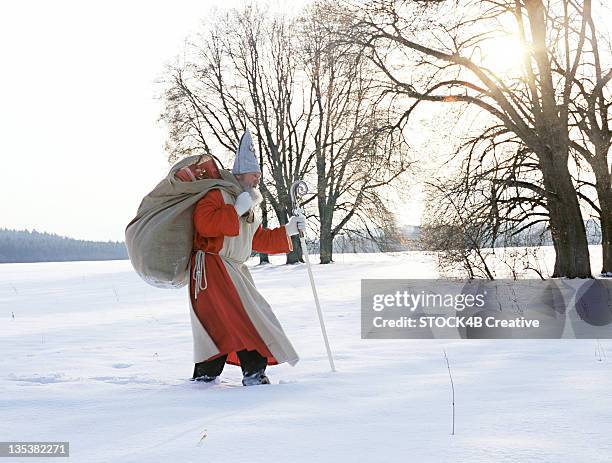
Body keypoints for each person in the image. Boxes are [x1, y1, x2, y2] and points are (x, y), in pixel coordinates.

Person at [188, 129, 305, 386]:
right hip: (213, 268)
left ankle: (207, 375)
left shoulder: (249, 203)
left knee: (224, 322)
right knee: (245, 317)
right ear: (239, 174)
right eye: (254, 174)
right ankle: (253, 372)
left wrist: (288, 230)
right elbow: (204, 224)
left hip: (233, 269)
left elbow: (256, 238)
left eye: (260, 175)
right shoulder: (216, 195)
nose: (258, 180)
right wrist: (235, 209)